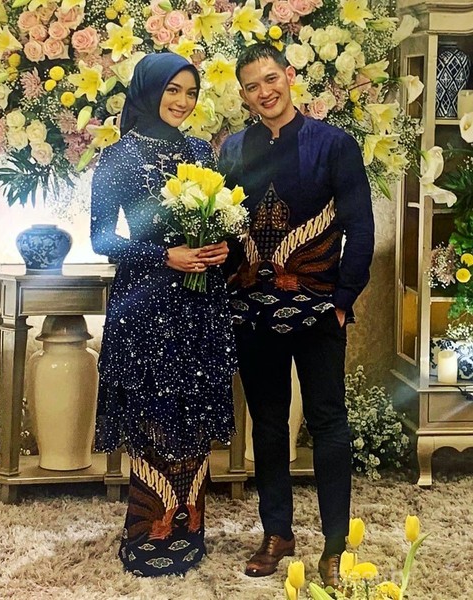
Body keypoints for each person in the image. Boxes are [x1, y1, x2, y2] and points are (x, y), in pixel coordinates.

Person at [218, 43, 375, 588]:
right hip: (253, 313)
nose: (265, 92)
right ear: (243, 95)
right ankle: (277, 533)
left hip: (319, 311)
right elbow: (224, 226)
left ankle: (334, 547)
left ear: (289, 76)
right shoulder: (232, 149)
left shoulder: (334, 145)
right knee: (266, 424)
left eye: (271, 79)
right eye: (252, 86)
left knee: (328, 423)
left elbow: (361, 227)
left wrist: (343, 300)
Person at [90, 52, 237, 577]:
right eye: (173, 90)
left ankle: (189, 533)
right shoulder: (118, 156)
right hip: (146, 307)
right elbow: (102, 238)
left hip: (199, 305)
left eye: (191, 92)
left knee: (192, 419)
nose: (182, 102)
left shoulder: (200, 151)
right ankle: (146, 538)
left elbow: (220, 218)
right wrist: (164, 256)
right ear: (148, 91)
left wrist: (219, 246)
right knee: (153, 421)